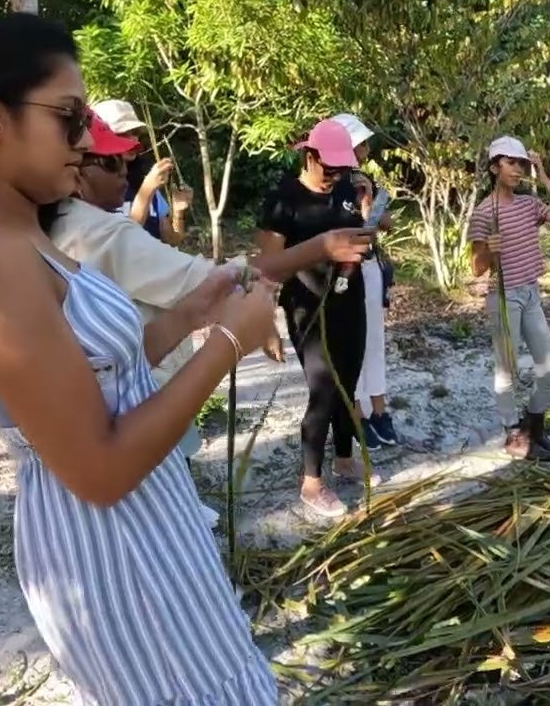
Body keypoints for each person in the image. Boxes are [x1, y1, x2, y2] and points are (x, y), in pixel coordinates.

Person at [0, 13, 281, 703]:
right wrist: (227, 344)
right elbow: (97, 469)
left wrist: (195, 313)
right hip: (114, 547)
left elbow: (101, 380)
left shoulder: (21, 237)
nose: (85, 139)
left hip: (141, 527)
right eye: (69, 118)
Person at [53, 111, 373, 526]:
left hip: (127, 400)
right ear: (73, 173)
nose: (127, 171)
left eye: (130, 158)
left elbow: (146, 343)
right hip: (136, 410)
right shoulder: (102, 233)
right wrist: (318, 251)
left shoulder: (48, 231)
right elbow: (218, 281)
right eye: (113, 161)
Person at [257, 118, 378, 518]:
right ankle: (312, 482)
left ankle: (344, 458)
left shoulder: (346, 188)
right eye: (328, 169)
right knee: (323, 388)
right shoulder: (282, 200)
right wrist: (266, 325)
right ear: (309, 156)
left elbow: (360, 235)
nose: (334, 177)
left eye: (341, 169)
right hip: (307, 308)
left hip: (350, 298)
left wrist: (367, 215)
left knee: (348, 382)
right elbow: (268, 267)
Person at [469, 135, 550, 462]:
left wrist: (546, 181)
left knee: (548, 368)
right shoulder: (483, 213)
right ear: (495, 167)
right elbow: (477, 269)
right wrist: (489, 252)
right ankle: (512, 433)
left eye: (522, 164)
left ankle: (535, 426)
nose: (518, 169)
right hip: (504, 297)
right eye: (511, 163)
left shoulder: (528, 204)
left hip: (530, 292)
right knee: (507, 369)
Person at [330, 113, 401, 449]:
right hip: (343, 271)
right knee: (351, 344)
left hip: (369, 267)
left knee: (374, 340)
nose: (364, 148)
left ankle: (379, 411)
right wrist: (367, 211)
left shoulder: (364, 181)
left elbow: (380, 222)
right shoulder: (331, 185)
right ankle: (356, 414)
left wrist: (372, 203)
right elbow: (357, 227)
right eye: (357, 142)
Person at [91, 97, 192, 245]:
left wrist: (178, 211)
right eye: (123, 133)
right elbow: (121, 244)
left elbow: (171, 239)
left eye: (135, 132)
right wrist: (147, 188)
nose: (132, 139)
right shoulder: (92, 189)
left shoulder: (144, 178)